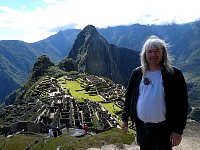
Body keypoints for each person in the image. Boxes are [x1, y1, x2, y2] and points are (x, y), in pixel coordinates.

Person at [121, 35, 188, 150]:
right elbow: (129, 97)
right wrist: (124, 119)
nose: (153, 55)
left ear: (163, 54)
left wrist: (178, 131)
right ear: (144, 55)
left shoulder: (174, 74)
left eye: (157, 51)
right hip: (141, 127)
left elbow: (182, 104)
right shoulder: (137, 73)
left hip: (164, 129)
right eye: (149, 52)